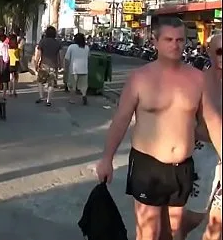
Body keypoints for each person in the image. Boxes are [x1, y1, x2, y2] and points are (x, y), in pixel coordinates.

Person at [95, 18, 222, 240]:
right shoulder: (140, 78)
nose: (175, 45)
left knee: (173, 233)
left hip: (181, 168)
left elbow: (213, 122)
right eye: (168, 39)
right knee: (148, 233)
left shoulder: (197, 79)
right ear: (155, 41)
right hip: (148, 166)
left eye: (180, 40)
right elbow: (121, 119)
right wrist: (107, 158)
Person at [178, 34, 222, 240]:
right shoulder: (202, 81)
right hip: (205, 156)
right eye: (219, 51)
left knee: (218, 223)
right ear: (210, 53)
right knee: (193, 217)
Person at [34, 26, 60, 106]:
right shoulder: (57, 43)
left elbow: (38, 54)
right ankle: (48, 100)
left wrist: (36, 64)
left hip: (43, 65)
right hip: (53, 65)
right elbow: (60, 55)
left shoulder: (42, 41)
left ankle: (41, 96)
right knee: (51, 83)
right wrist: (60, 64)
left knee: (40, 81)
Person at [64, 33, 90, 105]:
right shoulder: (86, 47)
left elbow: (67, 58)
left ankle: (72, 99)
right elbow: (88, 57)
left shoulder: (71, 47)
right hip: (84, 69)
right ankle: (84, 95)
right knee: (83, 85)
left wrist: (65, 68)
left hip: (74, 69)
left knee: (73, 85)